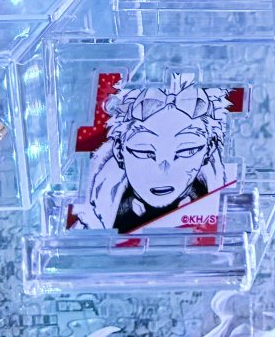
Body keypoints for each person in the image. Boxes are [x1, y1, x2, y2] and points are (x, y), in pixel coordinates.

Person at [73, 73, 236, 234]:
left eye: (186, 151)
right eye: (144, 152)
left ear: (209, 149)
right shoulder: (92, 216)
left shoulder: (224, 210)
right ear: (118, 151)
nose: (163, 170)